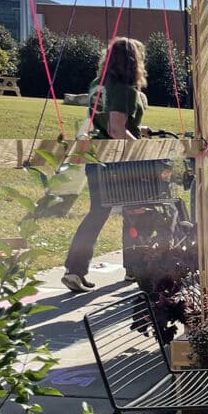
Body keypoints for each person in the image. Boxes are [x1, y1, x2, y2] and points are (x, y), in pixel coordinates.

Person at [62, 37, 150, 292]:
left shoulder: (96, 86)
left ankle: (75, 269)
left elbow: (104, 121)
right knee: (136, 211)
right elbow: (116, 129)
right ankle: (135, 267)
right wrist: (141, 149)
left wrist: (139, 128)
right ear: (134, 62)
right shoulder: (124, 89)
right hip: (119, 161)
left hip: (95, 155)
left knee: (97, 212)